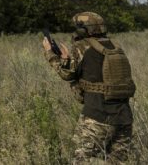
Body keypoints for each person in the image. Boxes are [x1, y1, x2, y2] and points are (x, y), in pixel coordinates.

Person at [42, 12, 136, 163]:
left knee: (80, 160)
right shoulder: (116, 47)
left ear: (83, 29)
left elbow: (67, 74)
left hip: (97, 116)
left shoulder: (82, 47)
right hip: (124, 117)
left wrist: (50, 53)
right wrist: (67, 59)